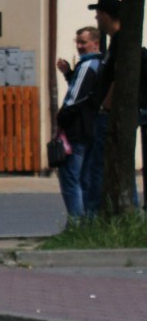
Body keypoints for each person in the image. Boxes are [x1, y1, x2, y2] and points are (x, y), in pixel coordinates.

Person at [54, 26, 103, 219]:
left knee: (70, 179)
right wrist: (68, 74)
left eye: (83, 42)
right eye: (78, 42)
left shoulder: (87, 66)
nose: (79, 46)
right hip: (90, 128)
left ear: (95, 43)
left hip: (77, 130)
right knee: (85, 179)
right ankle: (86, 222)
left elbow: (74, 99)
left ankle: (76, 223)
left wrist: (61, 119)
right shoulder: (100, 65)